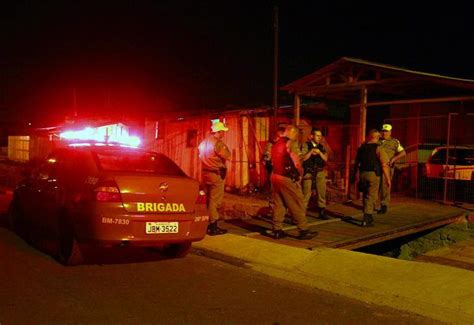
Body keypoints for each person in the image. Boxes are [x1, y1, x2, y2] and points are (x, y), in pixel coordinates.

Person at [270, 125, 318, 240]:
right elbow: (296, 162)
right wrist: (300, 174)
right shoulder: (291, 143)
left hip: (275, 176)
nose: (297, 137)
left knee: (279, 203)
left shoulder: (276, 143)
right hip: (287, 178)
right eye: (296, 134)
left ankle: (277, 229)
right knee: (297, 203)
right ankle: (303, 230)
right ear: (293, 133)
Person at [198, 121, 231, 236]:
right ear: (219, 132)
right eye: (222, 131)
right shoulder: (218, 143)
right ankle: (213, 226)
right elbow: (227, 155)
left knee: (207, 200)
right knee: (214, 201)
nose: (223, 134)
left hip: (205, 173)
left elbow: (200, 156)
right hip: (216, 174)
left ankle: (205, 223)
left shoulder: (203, 142)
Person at [354, 129, 391, 227]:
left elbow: (356, 163)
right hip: (373, 175)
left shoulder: (361, 148)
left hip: (363, 173)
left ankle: (369, 216)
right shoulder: (378, 148)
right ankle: (366, 219)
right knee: (371, 196)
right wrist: (388, 178)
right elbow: (384, 164)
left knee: (365, 195)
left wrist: (355, 175)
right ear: (377, 137)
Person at [300, 128, 329, 219]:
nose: (319, 138)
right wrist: (311, 151)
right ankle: (301, 214)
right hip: (308, 172)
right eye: (317, 135)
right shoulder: (305, 145)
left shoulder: (322, 147)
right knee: (306, 193)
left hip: (319, 171)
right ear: (312, 136)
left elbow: (325, 159)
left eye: (320, 136)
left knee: (321, 192)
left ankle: (321, 212)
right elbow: (303, 158)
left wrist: (319, 152)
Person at [379, 124, 406, 214]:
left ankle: (384, 205)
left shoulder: (394, 142)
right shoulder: (377, 141)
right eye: (383, 131)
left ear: (390, 132)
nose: (384, 133)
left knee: (385, 185)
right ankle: (371, 204)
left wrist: (393, 159)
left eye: (386, 131)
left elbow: (403, 152)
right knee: (374, 185)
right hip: (376, 166)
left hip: (387, 167)